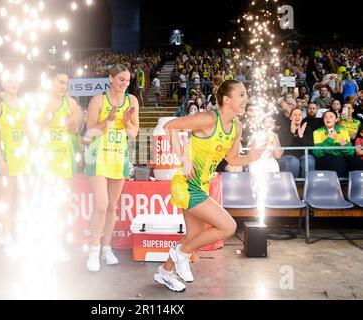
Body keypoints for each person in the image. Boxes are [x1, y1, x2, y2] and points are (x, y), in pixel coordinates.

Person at [153, 80, 265, 292]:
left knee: (192, 238)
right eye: (241, 94)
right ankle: (182, 253)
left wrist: (251, 157)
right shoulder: (207, 119)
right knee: (228, 226)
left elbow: (232, 159)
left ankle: (165, 272)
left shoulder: (236, 127)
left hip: (200, 186)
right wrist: (183, 159)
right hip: (186, 185)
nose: (246, 98)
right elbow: (169, 126)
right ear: (226, 99)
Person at [84, 64, 139, 272]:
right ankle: (94, 250)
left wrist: (125, 122)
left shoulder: (132, 101)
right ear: (110, 78)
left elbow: (134, 133)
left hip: (119, 157)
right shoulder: (98, 100)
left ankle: (107, 248)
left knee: (112, 206)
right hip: (97, 157)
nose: (124, 84)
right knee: (101, 205)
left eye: (127, 80)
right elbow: (89, 132)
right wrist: (107, 120)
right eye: (121, 79)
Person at [39, 68, 82, 261]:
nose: (64, 86)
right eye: (60, 82)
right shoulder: (41, 102)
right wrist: (48, 117)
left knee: (62, 203)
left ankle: (59, 242)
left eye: (66, 82)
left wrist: (72, 122)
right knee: (46, 201)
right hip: (46, 157)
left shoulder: (71, 102)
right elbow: (34, 128)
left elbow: (75, 130)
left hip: (65, 157)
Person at [0, 73, 27, 253]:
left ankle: (18, 230)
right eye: (10, 80)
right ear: (3, 83)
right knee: (6, 199)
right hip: (6, 157)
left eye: (16, 80)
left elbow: (30, 131)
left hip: (24, 157)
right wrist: (0, 159)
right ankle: (6, 232)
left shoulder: (25, 104)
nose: (13, 83)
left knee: (22, 197)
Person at [313, 110, 358, 177]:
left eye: (331, 117)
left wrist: (344, 146)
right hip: (324, 159)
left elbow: (351, 151)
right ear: (323, 120)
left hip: (341, 157)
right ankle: (338, 185)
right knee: (337, 160)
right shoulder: (317, 132)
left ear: (336, 119)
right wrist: (330, 139)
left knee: (355, 161)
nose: (328, 119)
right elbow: (318, 153)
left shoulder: (343, 131)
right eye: (325, 117)